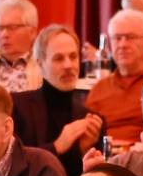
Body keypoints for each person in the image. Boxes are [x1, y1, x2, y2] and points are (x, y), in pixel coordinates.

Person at [17, 24, 96, 167]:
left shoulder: (89, 118)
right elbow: (11, 165)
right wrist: (57, 146)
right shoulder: (18, 107)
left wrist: (84, 151)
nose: (68, 65)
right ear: (40, 64)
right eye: (58, 59)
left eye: (73, 57)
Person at [82, 8, 143, 148]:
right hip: (104, 159)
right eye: (117, 38)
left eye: (130, 37)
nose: (122, 45)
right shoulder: (99, 89)